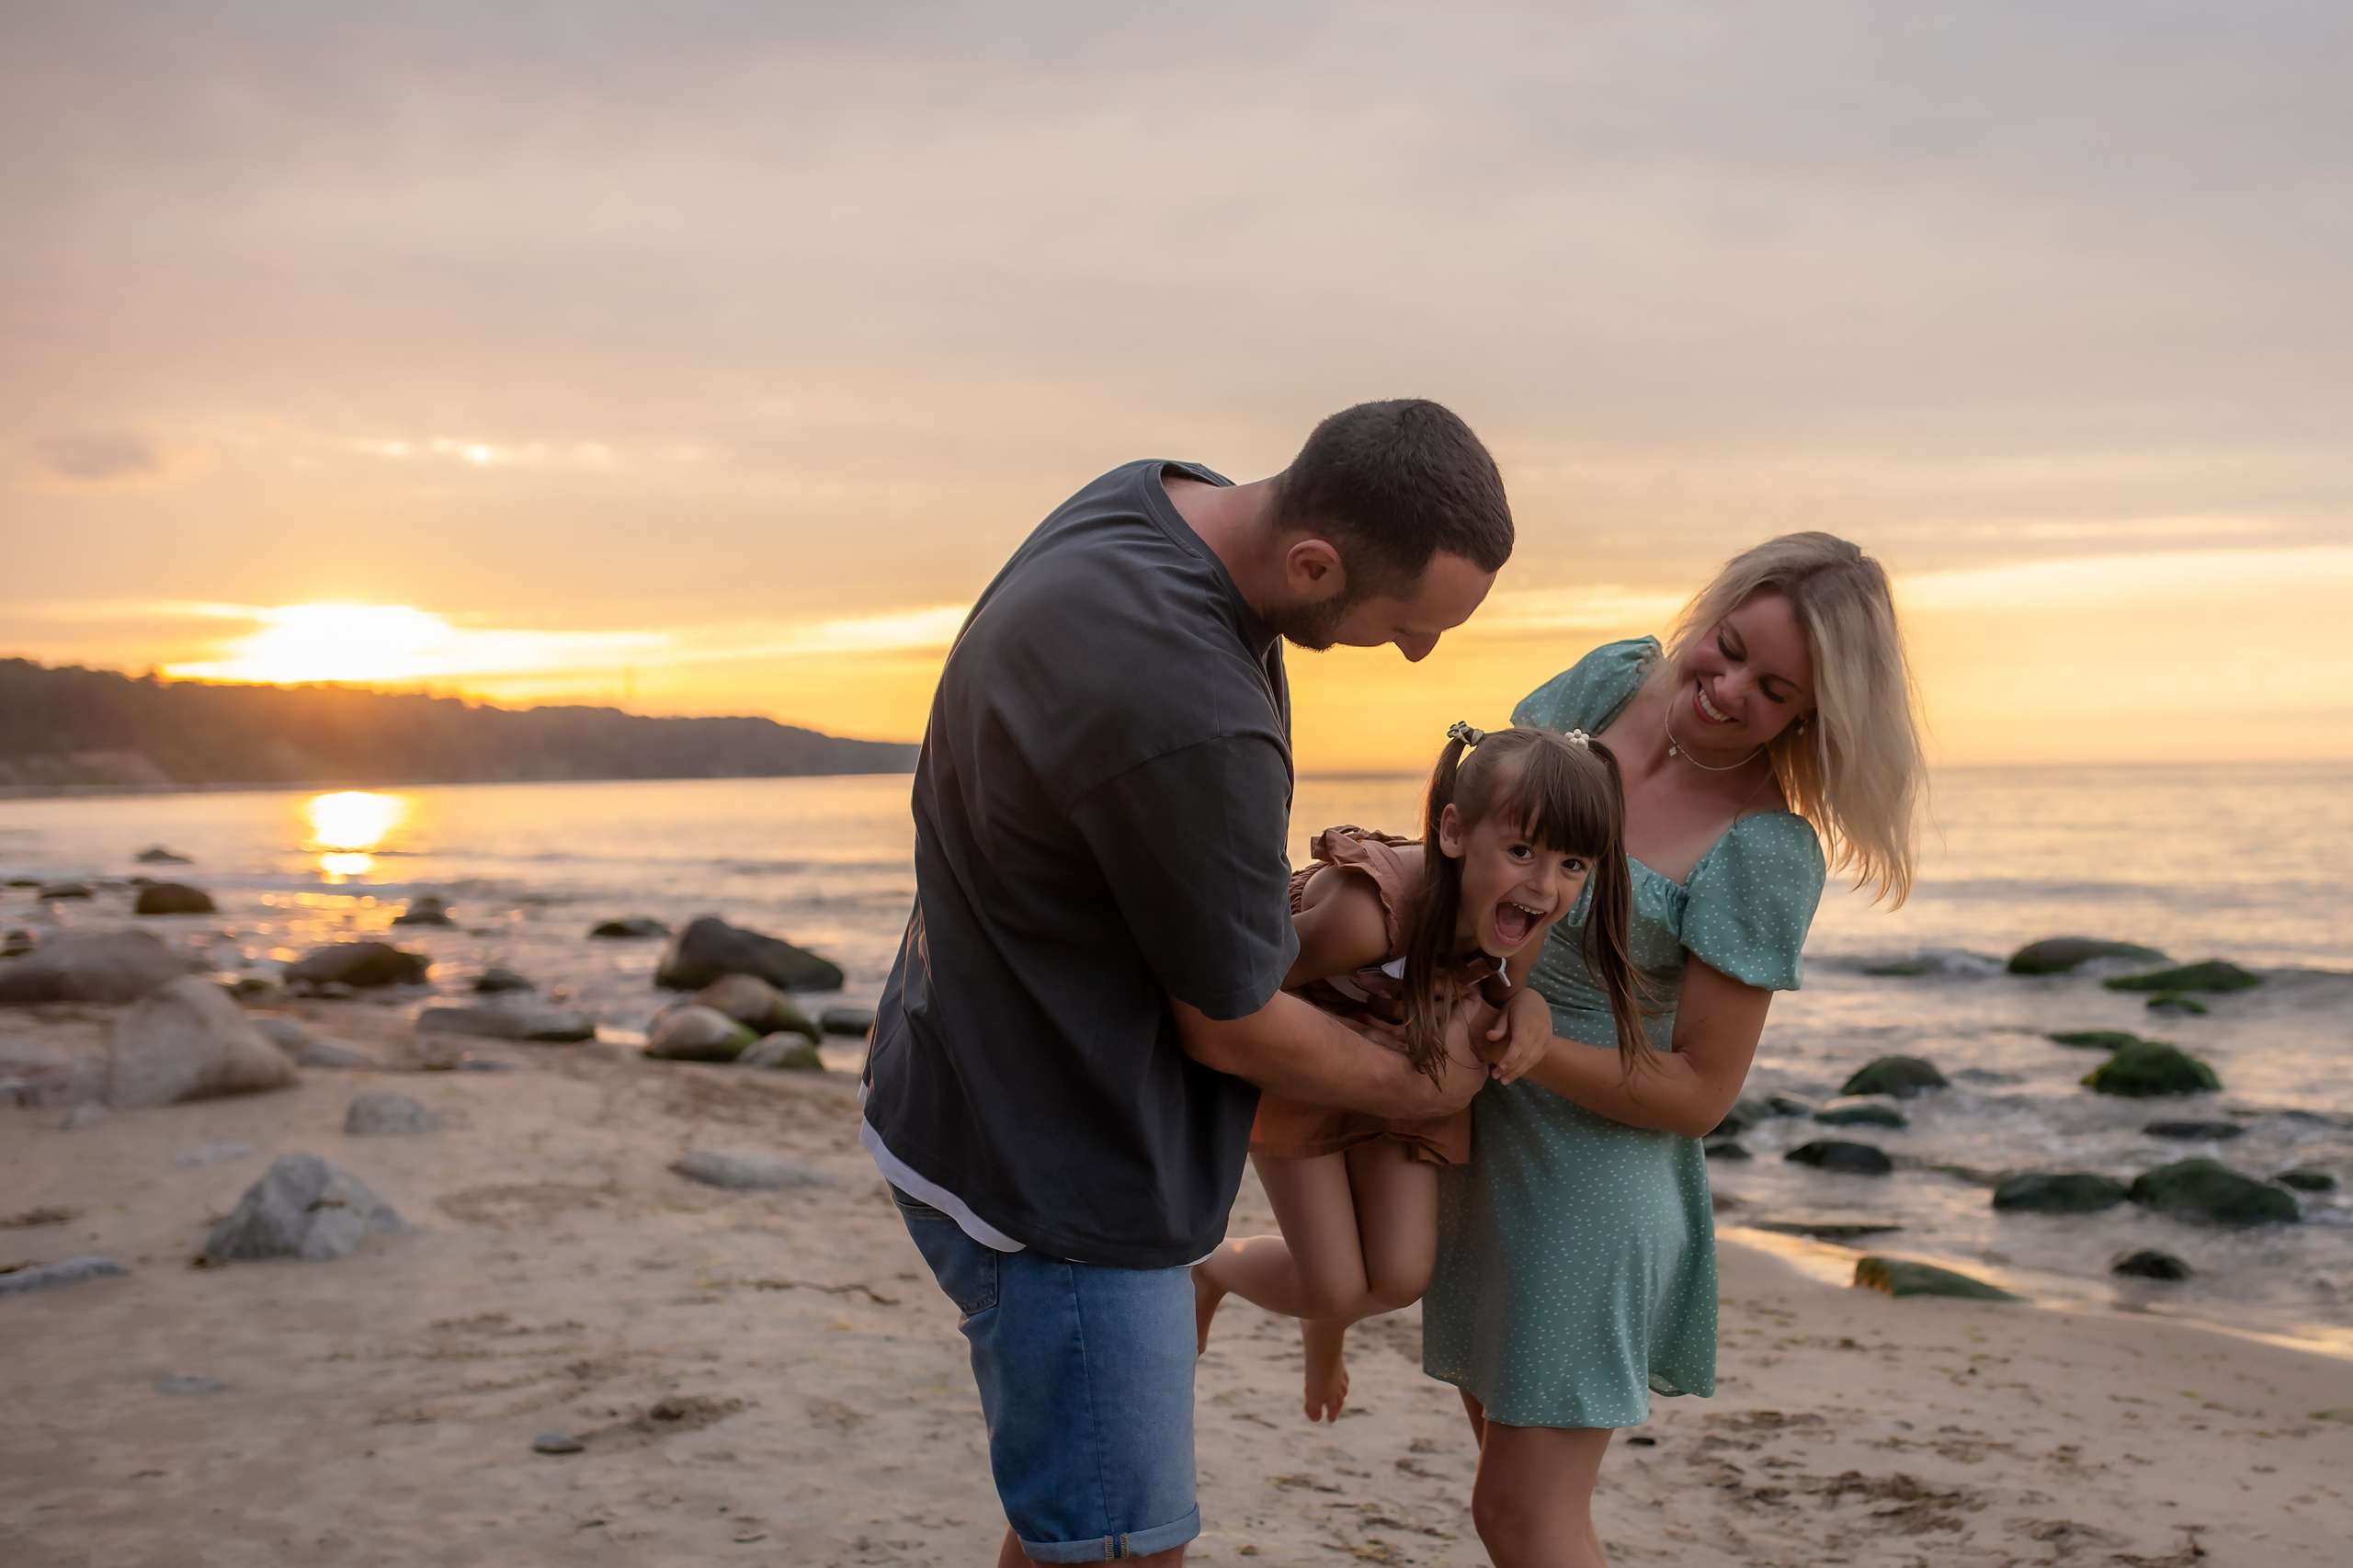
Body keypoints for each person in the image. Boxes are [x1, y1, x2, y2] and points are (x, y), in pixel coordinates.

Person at [863, 400, 1517, 1567]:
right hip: (1055, 1176)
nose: (1420, 657)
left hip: (953, 1067)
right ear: (1313, 562)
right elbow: (1230, 1024)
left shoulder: (1149, 499)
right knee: (1125, 1545)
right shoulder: (1194, 709)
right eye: (1407, 626)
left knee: (1077, 1518)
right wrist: (1420, 1082)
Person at [1422, 531, 1928, 1568]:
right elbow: (1485, 823)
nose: (1727, 686)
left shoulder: (1762, 848)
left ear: (1810, 712)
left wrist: (1529, 1039)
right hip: (1484, 1143)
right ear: (1710, 611)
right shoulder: (1606, 682)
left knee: (1522, 1515)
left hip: (1592, 1191)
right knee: (1513, 1501)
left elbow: (1701, 1091)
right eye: (1727, 645)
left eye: (1773, 685)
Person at [1191, 722, 1646, 1424]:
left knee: (1403, 1276)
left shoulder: (1526, 918)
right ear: (1455, 831)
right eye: (1521, 851)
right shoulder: (1368, 915)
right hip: (1308, 1067)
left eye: (1572, 865)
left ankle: (1324, 1318)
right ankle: (1215, 1269)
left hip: (1410, 1063)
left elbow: (1506, 989)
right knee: (1334, 1284)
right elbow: (1250, 991)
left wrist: (1533, 1012)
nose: (1544, 885)